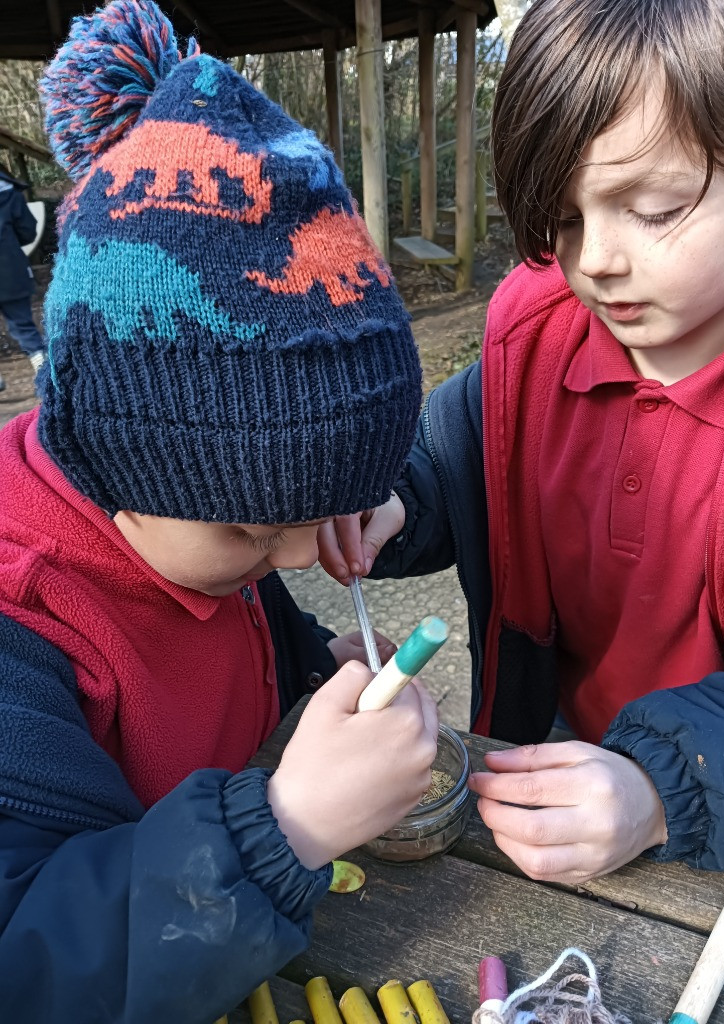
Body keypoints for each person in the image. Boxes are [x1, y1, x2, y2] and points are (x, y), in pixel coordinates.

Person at [0, 2, 435, 1021]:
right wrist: (281, 827)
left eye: (318, 513)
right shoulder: (24, 623)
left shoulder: (185, 538)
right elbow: (26, 962)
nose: (289, 557)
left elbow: (229, 642)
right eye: (252, 532)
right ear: (113, 450)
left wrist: (309, 664)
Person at [320, 0, 724, 886]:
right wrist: (395, 497)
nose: (594, 259)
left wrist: (660, 786)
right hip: (550, 742)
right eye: (562, 219)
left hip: (723, 809)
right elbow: (464, 459)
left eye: (653, 208)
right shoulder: (537, 334)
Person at [0, 167, 47, 375]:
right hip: (9, 269)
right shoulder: (9, 193)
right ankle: (43, 368)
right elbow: (28, 232)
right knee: (23, 325)